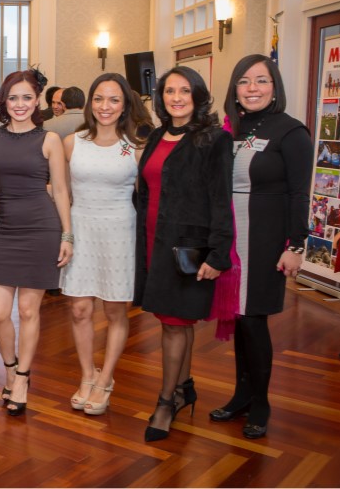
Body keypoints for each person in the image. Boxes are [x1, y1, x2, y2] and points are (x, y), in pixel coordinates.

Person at [213, 54, 313, 439]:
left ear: (275, 87)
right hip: (231, 238)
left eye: (261, 80)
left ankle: (261, 403)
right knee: (238, 318)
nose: (252, 88)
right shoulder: (229, 130)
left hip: (267, 240)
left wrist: (297, 245)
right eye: (244, 81)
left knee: (253, 320)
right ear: (234, 89)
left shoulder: (291, 132)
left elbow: (299, 194)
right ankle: (241, 394)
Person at [135, 66, 234, 442]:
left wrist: (217, 254)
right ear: (160, 97)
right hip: (153, 241)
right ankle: (183, 387)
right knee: (177, 321)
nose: (176, 98)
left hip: (187, 248)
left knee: (175, 323)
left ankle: (164, 402)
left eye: (185, 91)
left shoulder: (213, 139)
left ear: (198, 96)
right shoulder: (159, 134)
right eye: (169, 91)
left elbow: (221, 201)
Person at [61, 73, 152, 416]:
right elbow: (60, 190)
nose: (105, 106)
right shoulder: (73, 142)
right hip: (81, 229)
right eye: (99, 98)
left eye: (114, 100)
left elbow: (148, 196)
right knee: (79, 309)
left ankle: (106, 379)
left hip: (120, 232)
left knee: (115, 311)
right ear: (90, 103)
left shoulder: (135, 147)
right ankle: (87, 375)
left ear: (125, 105)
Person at [0, 69, 73, 416]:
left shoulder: (49, 139)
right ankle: (9, 369)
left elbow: (62, 191)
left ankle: (22, 378)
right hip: (6, 229)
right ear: (4, 101)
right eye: (13, 97)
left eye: (26, 97)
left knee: (27, 310)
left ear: (37, 101)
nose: (19, 104)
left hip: (42, 227)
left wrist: (67, 234)